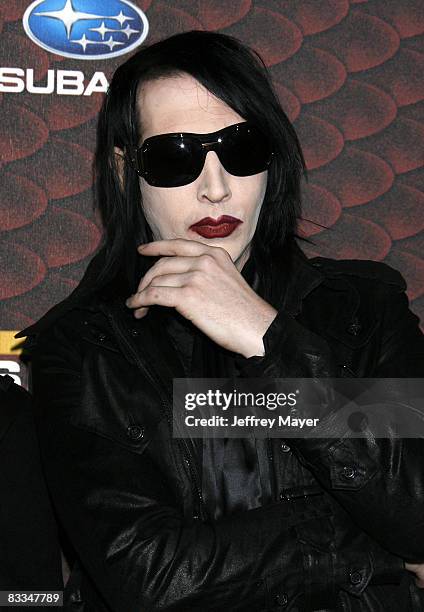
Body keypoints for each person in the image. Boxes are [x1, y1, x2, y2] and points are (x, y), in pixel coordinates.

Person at [16, 30, 424, 611]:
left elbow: (417, 507)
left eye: (241, 149)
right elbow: (152, 581)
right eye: (174, 157)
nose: (216, 188)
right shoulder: (85, 346)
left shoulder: (363, 309)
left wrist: (268, 337)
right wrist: (369, 540)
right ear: (125, 170)